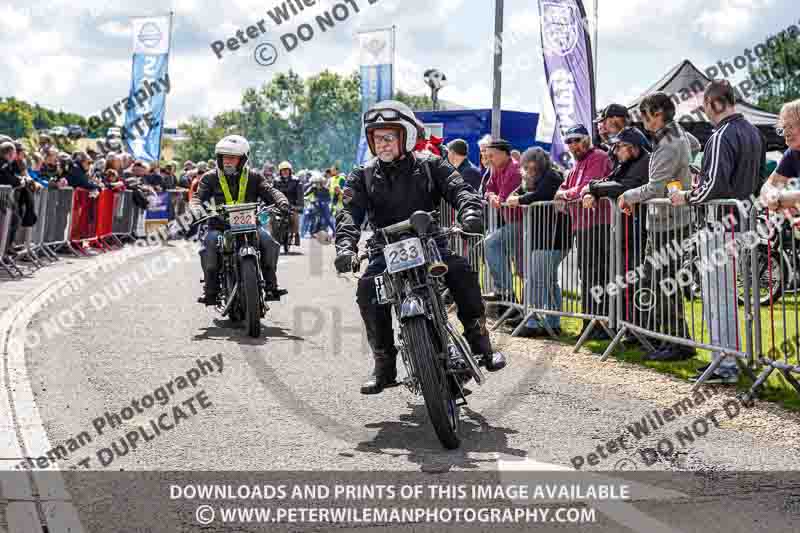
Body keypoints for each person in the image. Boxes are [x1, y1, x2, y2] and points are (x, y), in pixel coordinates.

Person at [334, 100, 507, 395]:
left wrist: (471, 212)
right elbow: (349, 214)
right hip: (384, 247)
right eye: (377, 138)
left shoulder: (431, 163)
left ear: (407, 137)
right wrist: (346, 246)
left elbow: (460, 189)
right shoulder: (361, 175)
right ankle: (384, 365)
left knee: (462, 271)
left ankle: (481, 343)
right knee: (366, 289)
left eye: (390, 136)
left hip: (429, 241)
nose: (383, 144)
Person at [672, 80, 765, 382]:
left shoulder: (722, 134)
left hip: (721, 225)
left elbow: (714, 186)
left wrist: (685, 196)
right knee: (725, 298)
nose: (705, 112)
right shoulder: (752, 131)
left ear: (713, 102)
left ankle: (724, 364)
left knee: (718, 298)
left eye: (705, 106)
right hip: (742, 223)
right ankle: (726, 360)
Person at [620, 92, 695, 361]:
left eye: (644, 115)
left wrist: (627, 196)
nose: (642, 120)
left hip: (669, 222)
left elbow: (655, 187)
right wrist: (684, 174)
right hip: (667, 220)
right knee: (655, 279)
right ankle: (665, 337)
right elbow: (695, 145)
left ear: (657, 114)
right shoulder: (678, 134)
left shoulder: (668, 143)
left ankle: (679, 343)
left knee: (665, 282)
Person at [191, 135, 290, 304]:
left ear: (243, 159)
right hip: (219, 226)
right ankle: (211, 291)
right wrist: (196, 209)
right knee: (209, 245)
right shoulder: (209, 178)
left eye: (232, 158)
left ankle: (271, 286)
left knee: (268, 242)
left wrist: (282, 201)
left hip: (250, 224)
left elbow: (270, 191)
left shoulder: (254, 176)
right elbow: (197, 198)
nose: (227, 161)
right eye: (224, 157)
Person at [582, 127, 651, 333]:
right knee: (623, 280)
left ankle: (637, 329)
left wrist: (592, 189)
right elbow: (608, 181)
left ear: (632, 147)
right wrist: (591, 190)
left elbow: (623, 187)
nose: (615, 151)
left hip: (638, 231)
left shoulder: (645, 162)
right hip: (624, 230)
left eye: (619, 146)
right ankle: (627, 327)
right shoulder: (626, 163)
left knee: (634, 281)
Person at [554, 124, 614, 339]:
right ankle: (590, 325)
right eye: (569, 141)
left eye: (577, 140)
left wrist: (565, 194)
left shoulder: (598, 156)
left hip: (601, 223)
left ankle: (603, 326)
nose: (573, 145)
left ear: (587, 139)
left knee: (600, 276)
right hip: (583, 226)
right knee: (588, 276)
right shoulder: (575, 166)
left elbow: (586, 188)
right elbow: (562, 189)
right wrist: (565, 193)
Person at [505, 147, 566, 336]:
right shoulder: (530, 179)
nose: (529, 170)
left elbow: (541, 196)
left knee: (538, 280)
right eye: (527, 166)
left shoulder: (552, 176)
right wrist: (516, 197)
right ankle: (553, 322)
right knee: (548, 281)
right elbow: (515, 194)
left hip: (553, 237)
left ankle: (532, 322)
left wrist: (519, 199)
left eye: (533, 166)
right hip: (541, 237)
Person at [483, 138, 523, 306]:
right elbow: (489, 190)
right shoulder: (497, 168)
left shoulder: (514, 169)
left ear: (504, 154)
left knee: (491, 244)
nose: (489, 159)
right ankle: (512, 301)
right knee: (519, 265)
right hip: (511, 221)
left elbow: (503, 197)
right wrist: (491, 196)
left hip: (521, 221)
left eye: (492, 155)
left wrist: (495, 197)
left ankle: (506, 292)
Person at [761, 99, 800, 209]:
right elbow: (768, 186)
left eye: (791, 126)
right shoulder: (793, 153)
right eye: (783, 127)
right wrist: (771, 194)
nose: (785, 133)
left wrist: (788, 198)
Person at [274, 161, 304, 246]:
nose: (285, 172)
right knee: (271, 218)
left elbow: (300, 195)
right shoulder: (276, 181)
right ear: (280, 171)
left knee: (295, 217)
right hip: (279, 205)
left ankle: (296, 233)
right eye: (283, 170)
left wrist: (300, 206)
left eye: (287, 170)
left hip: (292, 205)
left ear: (290, 171)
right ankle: (273, 236)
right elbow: (272, 193)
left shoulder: (296, 181)